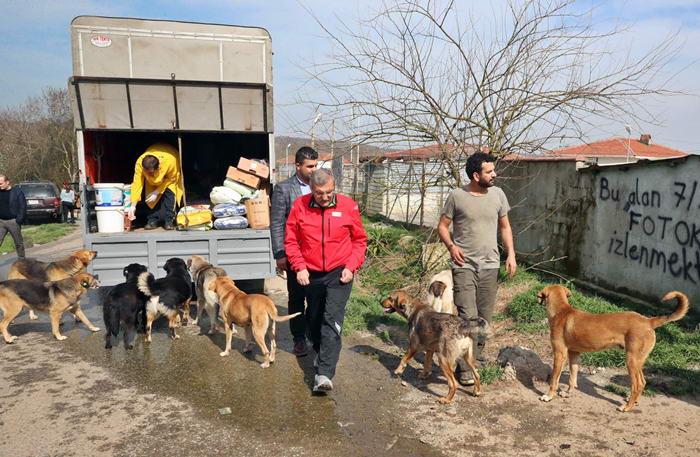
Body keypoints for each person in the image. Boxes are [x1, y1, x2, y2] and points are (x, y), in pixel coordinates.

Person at [437, 152, 516, 385]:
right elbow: (442, 226)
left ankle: (477, 360)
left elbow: (505, 227)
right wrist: (451, 246)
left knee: (484, 318)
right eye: (489, 171)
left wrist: (510, 254)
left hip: (490, 265)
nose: (494, 175)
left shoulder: (498, 195)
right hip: (464, 265)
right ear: (475, 175)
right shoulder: (456, 196)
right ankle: (462, 366)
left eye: (494, 170)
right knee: (467, 316)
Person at [285, 168, 367, 392]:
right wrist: (299, 266)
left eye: (329, 192)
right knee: (313, 318)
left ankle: (324, 374)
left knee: (331, 321)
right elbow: (291, 240)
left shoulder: (348, 206)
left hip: (339, 272)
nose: (325, 197)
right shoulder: (299, 206)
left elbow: (360, 240)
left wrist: (351, 266)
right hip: (310, 273)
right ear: (311, 189)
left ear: (334, 187)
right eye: (320, 192)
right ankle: (320, 352)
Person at [270, 146, 319, 357]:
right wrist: (279, 253)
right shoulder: (283, 189)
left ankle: (312, 332)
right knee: (297, 298)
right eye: (309, 166)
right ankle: (298, 339)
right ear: (297, 166)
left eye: (316, 165)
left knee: (316, 298)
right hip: (293, 253)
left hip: (317, 255)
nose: (313, 170)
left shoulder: (321, 185)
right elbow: (277, 223)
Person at [128, 143, 184, 230]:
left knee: (170, 196)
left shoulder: (169, 161)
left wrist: (157, 192)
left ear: (157, 168)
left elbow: (172, 178)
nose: (149, 174)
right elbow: (137, 183)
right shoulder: (140, 163)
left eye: (151, 173)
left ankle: (169, 221)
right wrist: (133, 206)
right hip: (153, 180)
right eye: (146, 172)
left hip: (169, 177)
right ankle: (152, 220)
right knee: (150, 198)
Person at [0, 174, 27, 258]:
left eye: (1, 183)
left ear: (7, 182)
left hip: (13, 221)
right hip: (1, 222)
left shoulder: (17, 192)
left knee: (18, 243)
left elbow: (23, 206)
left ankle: (22, 261)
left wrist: (19, 219)